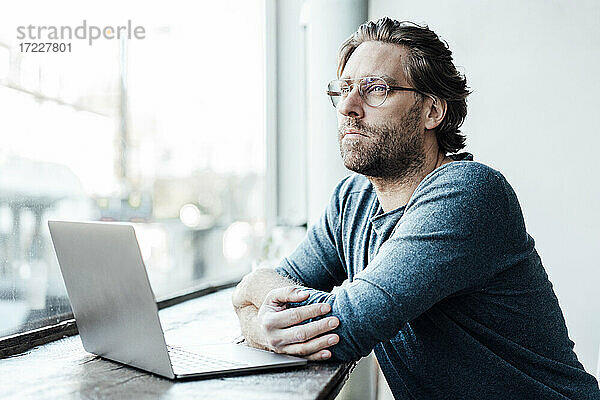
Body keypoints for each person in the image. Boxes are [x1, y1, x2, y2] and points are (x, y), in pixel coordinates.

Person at [232, 17, 600, 399]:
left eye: (376, 89)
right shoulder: (351, 200)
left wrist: (255, 306)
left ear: (432, 111)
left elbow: (344, 328)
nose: (349, 108)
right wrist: (254, 301)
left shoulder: (470, 193)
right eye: (343, 90)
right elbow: (281, 281)